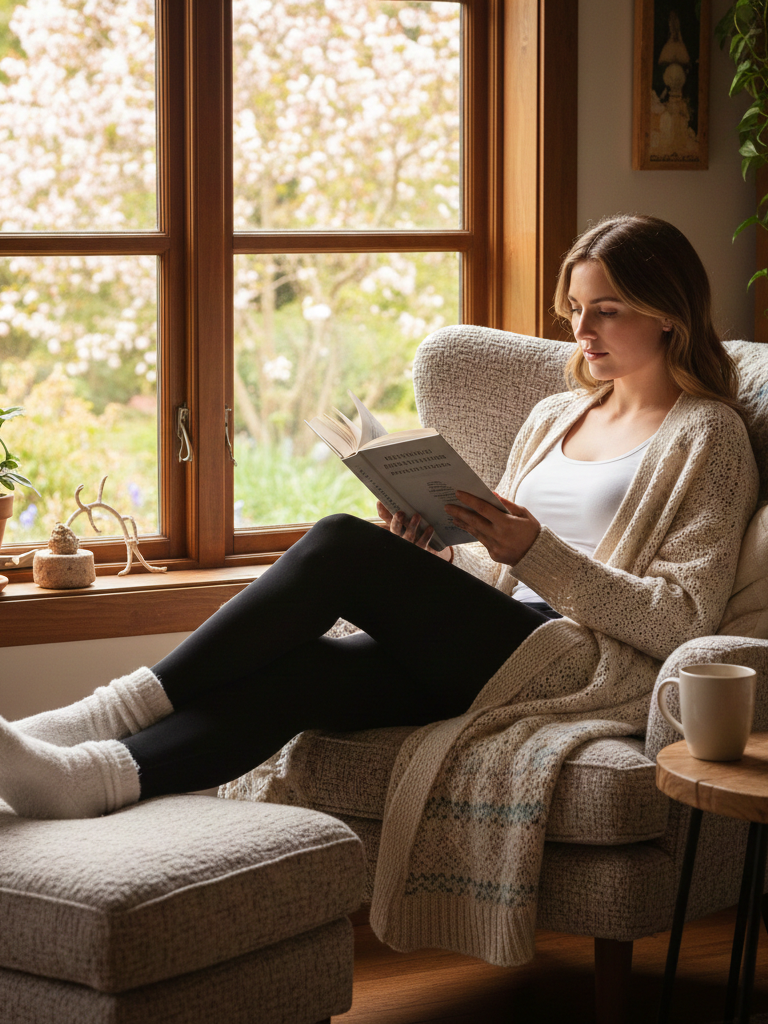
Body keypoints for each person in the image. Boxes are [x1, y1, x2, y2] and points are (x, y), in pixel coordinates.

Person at [0, 214, 758, 847]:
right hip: (501, 639)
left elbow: (681, 621)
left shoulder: (708, 436)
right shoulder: (556, 414)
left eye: (606, 309)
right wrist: (432, 548)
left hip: (583, 664)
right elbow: (496, 576)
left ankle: (105, 713)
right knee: (305, 674)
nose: (580, 330)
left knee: (337, 543)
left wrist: (534, 550)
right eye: (573, 308)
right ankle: (87, 779)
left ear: (667, 312)